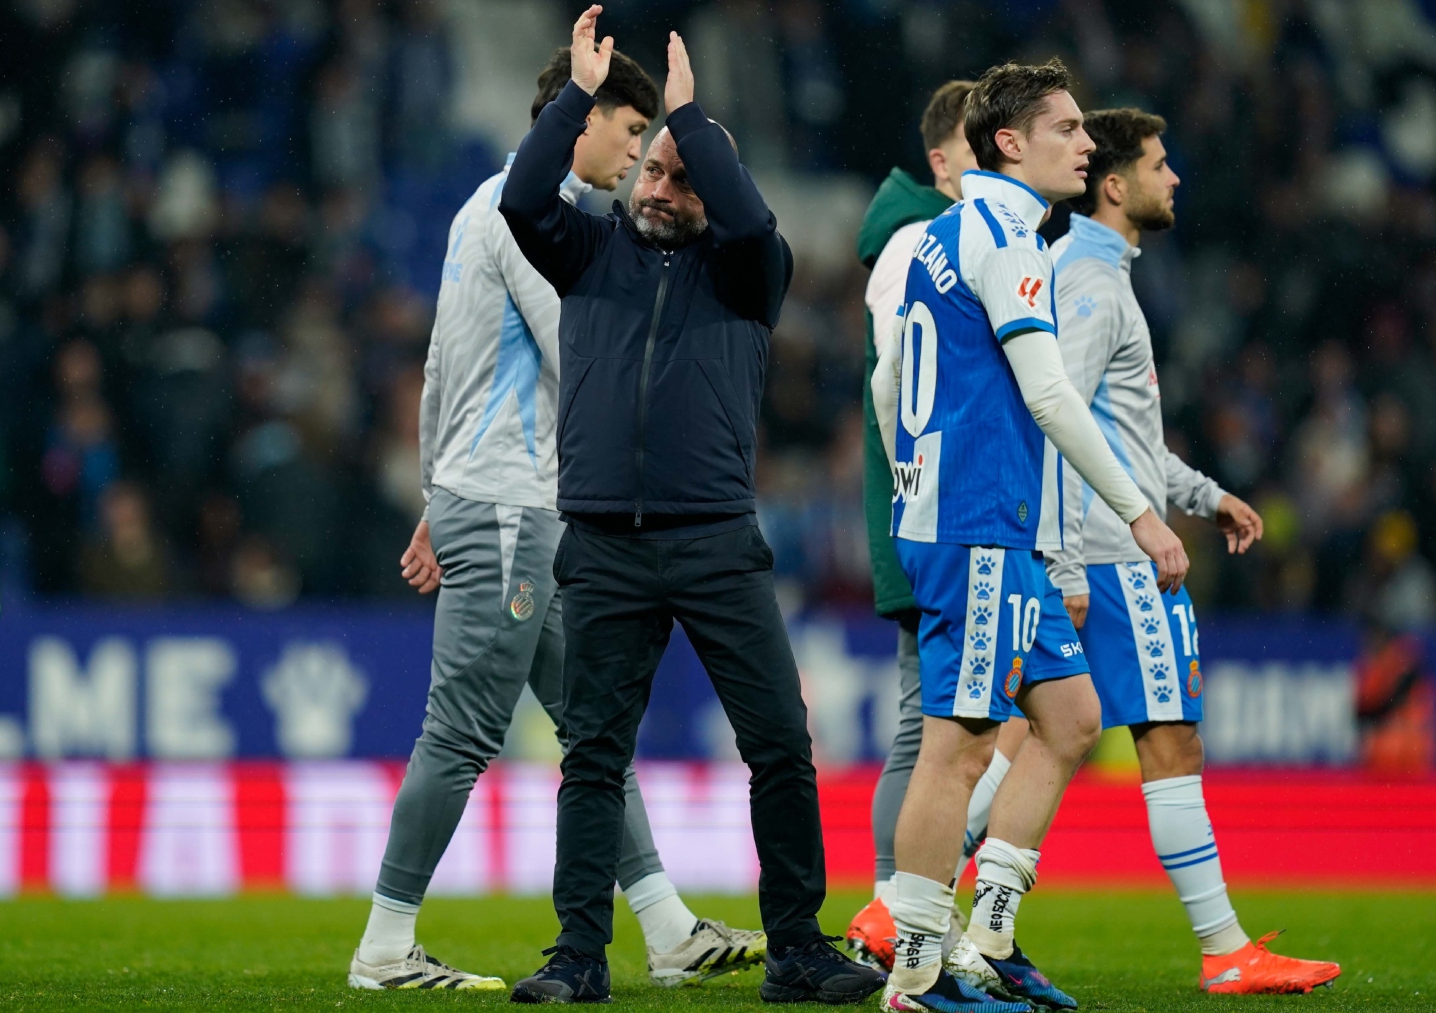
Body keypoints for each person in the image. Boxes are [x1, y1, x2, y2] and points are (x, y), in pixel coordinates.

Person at [350, 42, 764, 991]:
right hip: (510, 505)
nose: (636, 156)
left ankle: (664, 928)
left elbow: (438, 373)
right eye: (628, 133)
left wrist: (431, 494)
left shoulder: (479, 213)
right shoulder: (536, 224)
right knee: (460, 732)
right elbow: (585, 351)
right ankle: (383, 944)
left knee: (595, 727)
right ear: (579, 123)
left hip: (495, 497)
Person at [500, 8, 884, 1005]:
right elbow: (520, 193)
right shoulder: (585, 252)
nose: (661, 186)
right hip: (605, 545)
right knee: (593, 757)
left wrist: (692, 122)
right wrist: (582, 96)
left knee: (779, 746)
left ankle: (795, 945)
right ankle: (577, 955)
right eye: (654, 170)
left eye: (682, 175)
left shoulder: (750, 271)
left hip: (715, 540)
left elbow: (753, 218)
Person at [876, 58, 1189, 1013]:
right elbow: (1051, 391)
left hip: (980, 521)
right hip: (977, 525)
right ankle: (917, 969)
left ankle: (991, 932)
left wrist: (908, 471)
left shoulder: (939, 235)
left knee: (1070, 720)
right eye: (1066, 130)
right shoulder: (1011, 241)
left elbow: (890, 375)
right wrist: (1139, 509)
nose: (1087, 145)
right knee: (959, 744)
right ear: (1010, 143)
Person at [1034, 107, 1340, 995]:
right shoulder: (1094, 285)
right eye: (1161, 166)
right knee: (1171, 744)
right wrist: (1078, 550)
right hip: (1113, 560)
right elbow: (1056, 422)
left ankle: (896, 911)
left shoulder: (1080, 272)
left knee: (1033, 742)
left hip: (1087, 547)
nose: (1176, 180)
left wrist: (1203, 496)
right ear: (1115, 185)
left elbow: (1112, 436)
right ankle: (1223, 947)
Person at [848, 77, 1031, 971]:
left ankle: (914, 905)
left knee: (982, 723)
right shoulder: (923, 243)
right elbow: (895, 388)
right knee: (936, 729)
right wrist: (918, 478)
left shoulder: (936, 237)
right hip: (939, 517)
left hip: (937, 511)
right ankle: (898, 906)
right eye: (979, 143)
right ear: (943, 158)